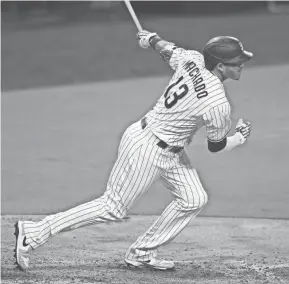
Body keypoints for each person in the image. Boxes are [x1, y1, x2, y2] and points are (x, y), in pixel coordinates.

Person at [14, 30, 252, 271]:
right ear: (221, 66)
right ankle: (34, 233)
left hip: (167, 148)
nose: (242, 64)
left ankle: (142, 252)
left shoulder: (193, 59)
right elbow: (216, 145)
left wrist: (150, 40)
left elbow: (167, 49)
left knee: (193, 199)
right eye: (238, 62)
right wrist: (239, 138)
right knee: (112, 207)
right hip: (146, 150)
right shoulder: (217, 104)